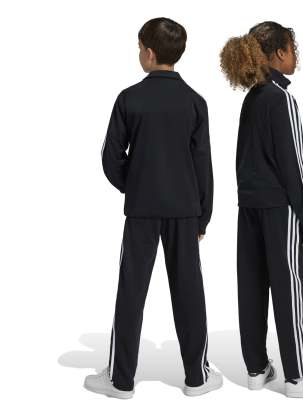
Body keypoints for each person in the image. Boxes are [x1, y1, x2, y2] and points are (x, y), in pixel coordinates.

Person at [84, 17, 222, 399]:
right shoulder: (195, 102)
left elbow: (111, 157)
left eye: (138, 48)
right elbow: (203, 165)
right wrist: (204, 216)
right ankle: (197, 378)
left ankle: (121, 381)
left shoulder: (129, 99)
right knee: (189, 290)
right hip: (185, 211)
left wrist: (138, 185)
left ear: (147, 52)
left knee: (131, 291)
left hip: (142, 210)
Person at [220, 21, 303, 399]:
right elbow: (293, 164)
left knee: (252, 286)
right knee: (289, 287)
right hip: (279, 210)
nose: (296, 57)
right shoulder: (281, 99)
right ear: (278, 53)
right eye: (293, 49)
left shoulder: (252, 97)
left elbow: (243, 159)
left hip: (249, 208)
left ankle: (256, 368)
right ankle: (298, 375)